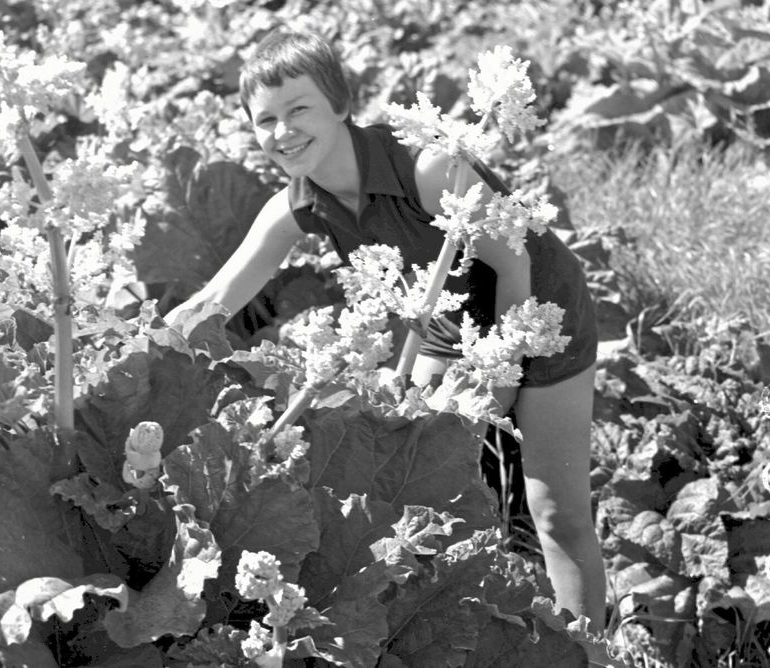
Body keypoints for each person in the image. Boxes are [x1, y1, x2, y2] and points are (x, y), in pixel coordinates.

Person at [165, 27, 609, 647]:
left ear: (342, 104)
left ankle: (590, 651)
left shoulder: (430, 167)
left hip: (540, 310)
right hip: (445, 328)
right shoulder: (296, 204)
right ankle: (457, 632)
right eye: (265, 120)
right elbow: (214, 299)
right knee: (416, 483)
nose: (282, 132)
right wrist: (141, 347)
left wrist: (497, 381)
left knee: (555, 508)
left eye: (299, 110)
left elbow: (513, 268)